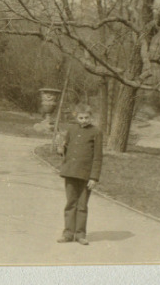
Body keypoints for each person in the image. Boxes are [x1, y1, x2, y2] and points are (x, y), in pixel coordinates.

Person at [56, 104, 103, 246]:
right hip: (70, 172)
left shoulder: (96, 132)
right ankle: (68, 233)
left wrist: (94, 177)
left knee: (82, 205)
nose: (83, 120)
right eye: (80, 118)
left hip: (86, 175)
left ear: (91, 117)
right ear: (76, 117)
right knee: (70, 203)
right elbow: (65, 149)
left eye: (86, 118)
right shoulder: (71, 129)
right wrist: (60, 147)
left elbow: (98, 157)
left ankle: (81, 234)